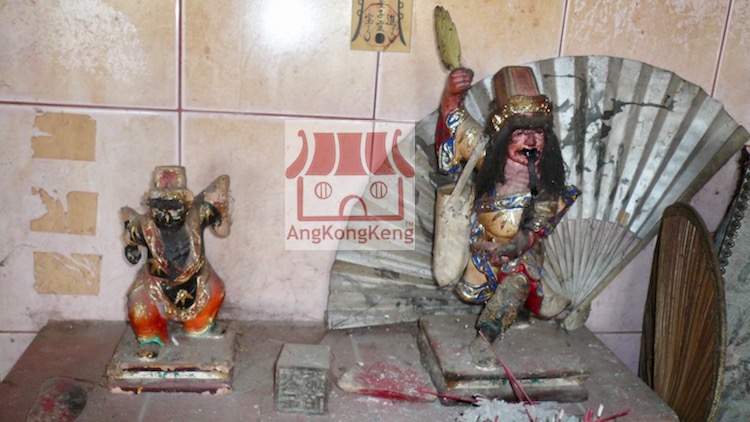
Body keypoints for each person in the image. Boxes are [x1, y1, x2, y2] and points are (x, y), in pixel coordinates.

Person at [435, 66, 579, 365]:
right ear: (504, 137)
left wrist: (513, 247)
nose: (530, 142)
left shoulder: (548, 187)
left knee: (517, 279)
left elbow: (536, 228)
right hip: (480, 246)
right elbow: (455, 122)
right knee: (477, 285)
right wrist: (452, 93)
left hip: (519, 252)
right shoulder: (487, 155)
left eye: (537, 133)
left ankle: (487, 338)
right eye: (521, 133)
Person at [121, 166, 231, 346]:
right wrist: (131, 249)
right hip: (156, 284)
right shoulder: (144, 226)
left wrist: (222, 210)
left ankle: (199, 327)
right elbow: (129, 223)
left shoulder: (197, 215)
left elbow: (218, 202)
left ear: (186, 207)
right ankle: (152, 338)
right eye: (159, 209)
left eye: (174, 209)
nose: (166, 217)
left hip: (196, 279)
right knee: (139, 307)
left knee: (215, 291)